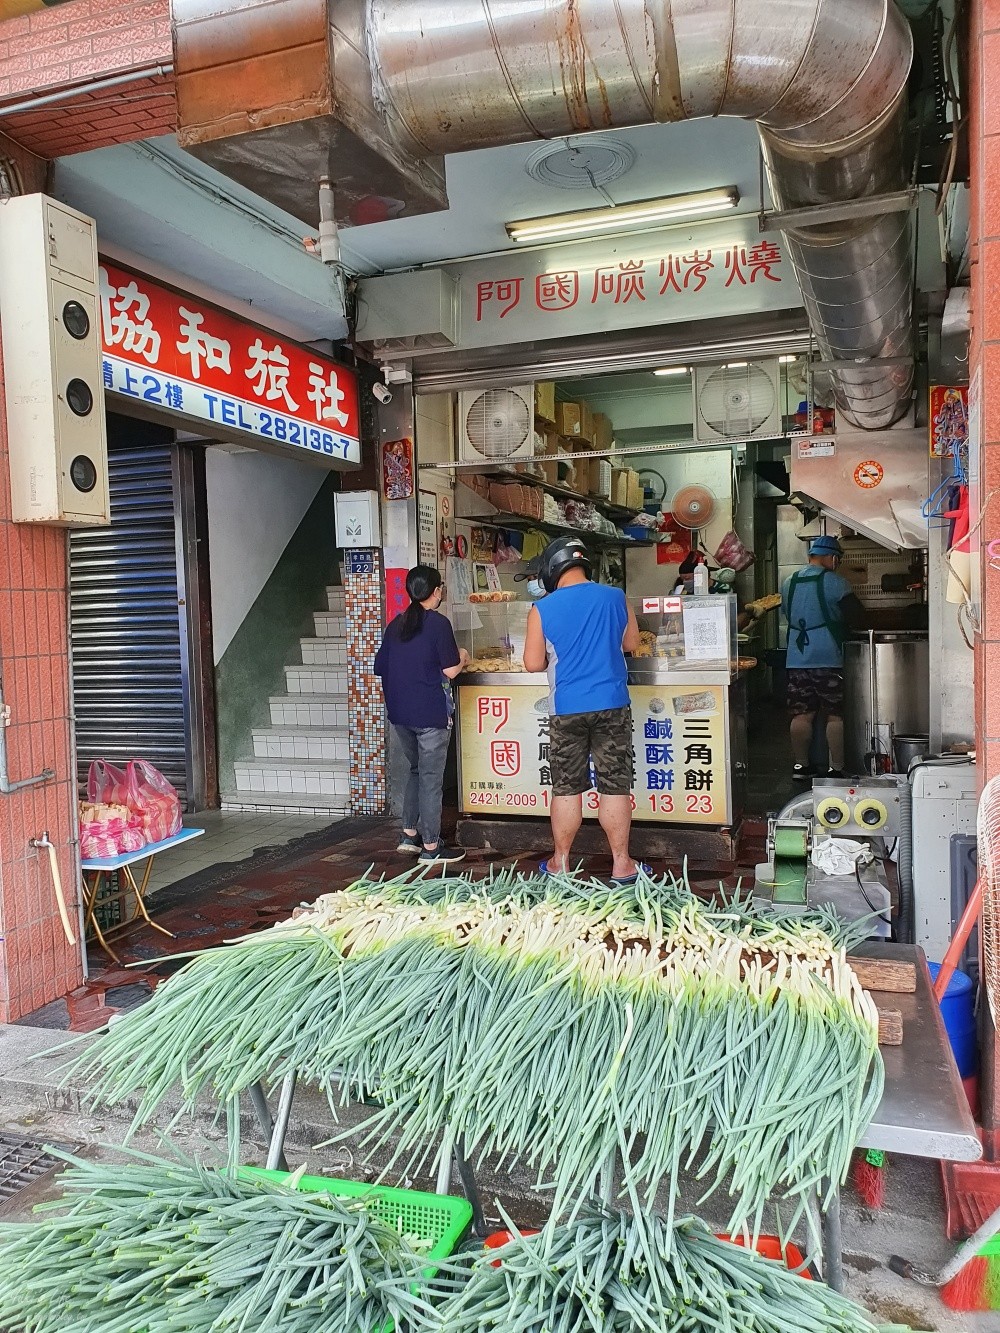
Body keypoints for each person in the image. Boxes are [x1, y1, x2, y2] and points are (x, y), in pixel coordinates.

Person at [522, 537, 646, 884]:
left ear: (551, 569)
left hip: (567, 709)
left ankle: (560, 861)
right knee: (615, 785)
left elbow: (532, 663)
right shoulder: (616, 597)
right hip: (612, 704)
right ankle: (622, 864)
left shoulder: (542, 608)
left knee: (566, 787)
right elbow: (632, 644)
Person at [374, 565, 469, 864]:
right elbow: (451, 670)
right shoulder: (438, 624)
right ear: (436, 591)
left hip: (400, 714)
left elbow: (380, 667)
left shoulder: (396, 624)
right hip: (430, 715)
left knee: (416, 770)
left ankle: (409, 834)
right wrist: (464, 656)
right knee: (430, 778)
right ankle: (431, 847)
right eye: (440, 587)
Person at [781, 535, 863, 781]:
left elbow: (787, 613)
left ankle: (801, 766)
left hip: (797, 658)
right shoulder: (836, 582)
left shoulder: (788, 582)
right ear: (832, 558)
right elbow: (856, 615)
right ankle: (836, 768)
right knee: (834, 713)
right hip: (828, 657)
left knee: (801, 713)